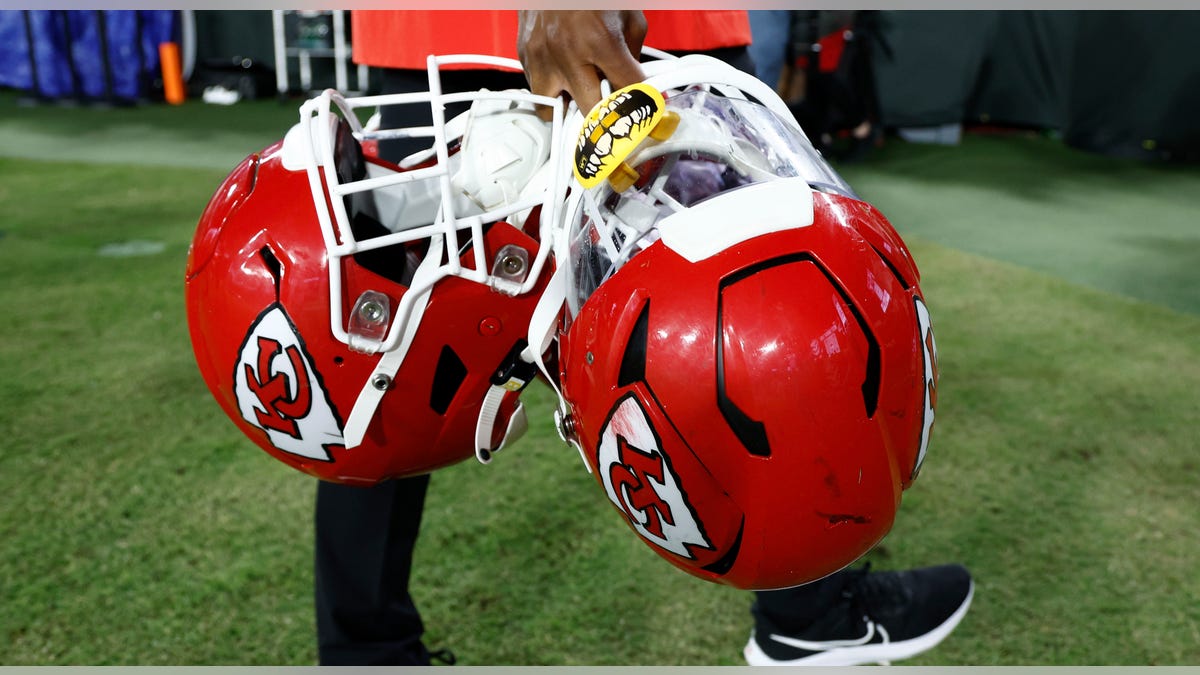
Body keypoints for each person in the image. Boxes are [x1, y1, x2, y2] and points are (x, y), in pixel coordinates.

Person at [313, 10, 973, 666]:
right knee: (395, 347)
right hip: (604, 36)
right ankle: (814, 609)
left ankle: (364, 651)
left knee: (398, 347)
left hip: (481, 31)